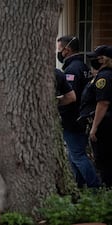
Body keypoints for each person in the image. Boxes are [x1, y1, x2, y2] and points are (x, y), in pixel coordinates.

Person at [56, 35, 100, 188]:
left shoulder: (72, 69)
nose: (58, 53)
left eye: (59, 49)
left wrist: (54, 101)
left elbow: (70, 96)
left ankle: (95, 187)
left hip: (73, 119)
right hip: (79, 118)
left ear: (66, 50)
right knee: (73, 156)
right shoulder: (83, 66)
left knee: (77, 155)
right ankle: (79, 187)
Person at [80, 45, 112, 187]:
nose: (93, 60)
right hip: (105, 122)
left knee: (104, 160)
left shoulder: (104, 77)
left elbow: (103, 103)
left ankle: (107, 190)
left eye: (96, 58)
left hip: (105, 124)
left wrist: (94, 127)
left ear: (103, 60)